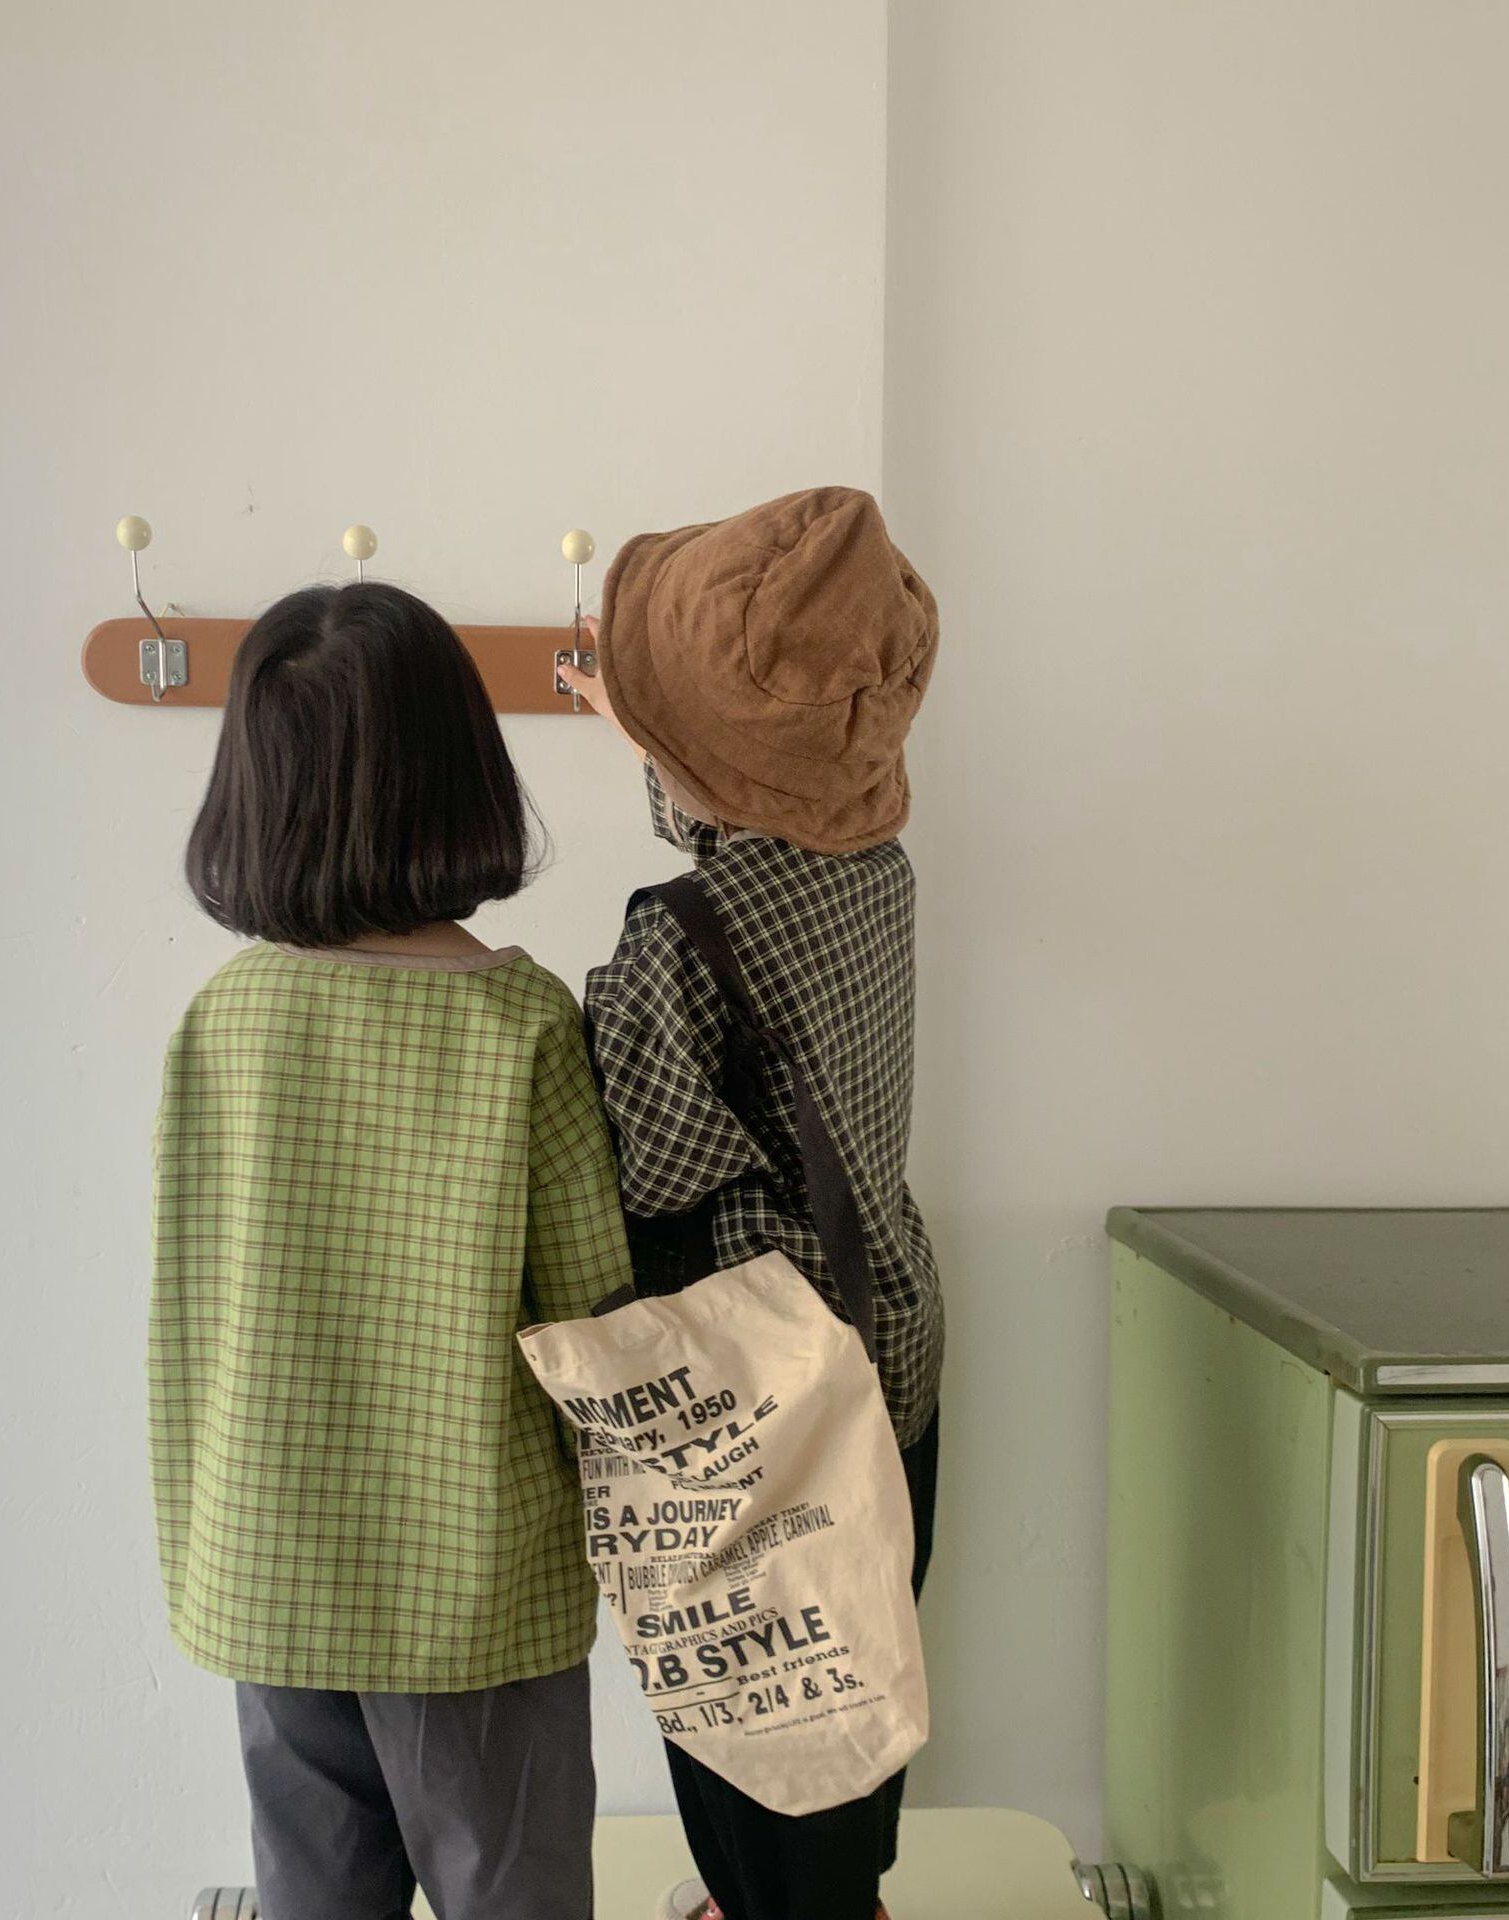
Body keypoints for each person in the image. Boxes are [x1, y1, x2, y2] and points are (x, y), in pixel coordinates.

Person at [149, 583, 632, 1920]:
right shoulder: (522, 1027)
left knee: (310, 1896)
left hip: (268, 1557)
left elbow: (191, 1311)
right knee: (516, 1894)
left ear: (255, 788)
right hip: (477, 1584)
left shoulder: (225, 1021)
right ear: (459, 772)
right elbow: (596, 1325)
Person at [560, 487, 944, 1920]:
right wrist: (661, 731)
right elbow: (741, 819)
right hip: (889, 1335)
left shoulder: (685, 932)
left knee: (747, 1696)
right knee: (862, 1657)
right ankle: (841, 1899)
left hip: (760, 1393)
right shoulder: (880, 872)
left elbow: (654, 1176)